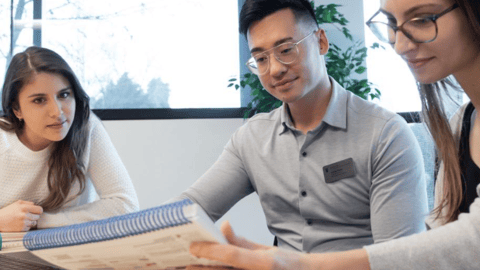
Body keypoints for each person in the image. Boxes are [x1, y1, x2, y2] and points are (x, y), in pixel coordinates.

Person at [188, 0, 480, 269]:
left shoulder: (385, 133)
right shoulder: (458, 125)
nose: (275, 69)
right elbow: (192, 206)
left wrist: (290, 265)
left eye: (286, 49)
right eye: (261, 59)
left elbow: (407, 256)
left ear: (321, 41)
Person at [0, 46, 139, 232]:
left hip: (68, 254)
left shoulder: (87, 127)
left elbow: (126, 205)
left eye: (64, 95)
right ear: (17, 109)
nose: (57, 112)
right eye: (39, 100)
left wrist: (39, 222)